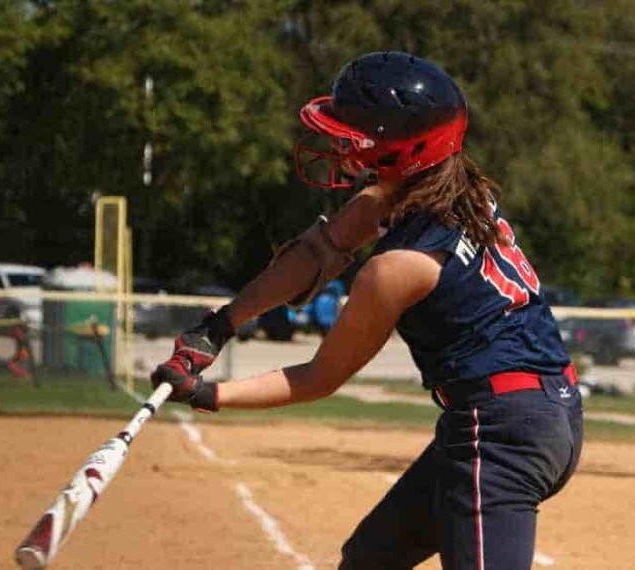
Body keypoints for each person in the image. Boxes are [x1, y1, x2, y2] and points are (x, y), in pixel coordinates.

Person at [152, 51, 582, 569]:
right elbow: (316, 255)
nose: (338, 147)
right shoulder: (443, 194)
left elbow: (318, 376)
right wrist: (219, 326)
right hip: (530, 411)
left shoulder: (399, 267)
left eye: (352, 139)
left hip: (502, 433)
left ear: (402, 150)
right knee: (369, 560)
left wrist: (208, 394)